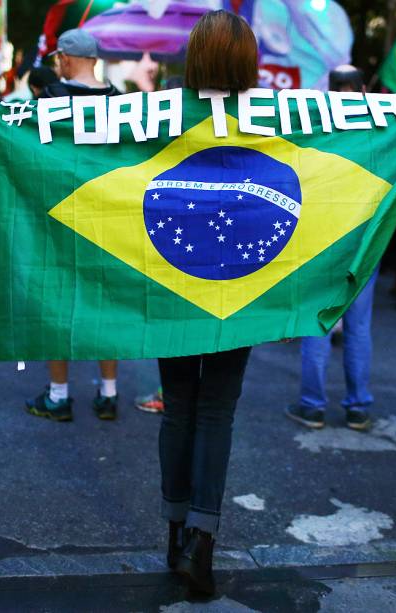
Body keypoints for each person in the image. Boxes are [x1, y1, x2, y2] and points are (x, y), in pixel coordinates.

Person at [154, 10, 258, 597]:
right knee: (216, 411)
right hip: (242, 286)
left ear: (193, 57)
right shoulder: (270, 118)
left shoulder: (160, 113)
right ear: (247, 61)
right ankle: (202, 540)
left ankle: (174, 533)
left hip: (172, 281)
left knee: (178, 408)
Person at [24, 29, 121, 423]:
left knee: (57, 305)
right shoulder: (120, 102)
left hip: (59, 219)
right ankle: (109, 392)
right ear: (94, 60)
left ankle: (60, 395)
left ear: (63, 58)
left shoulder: (48, 100)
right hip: (108, 219)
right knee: (106, 306)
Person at [284, 64, 378, 433]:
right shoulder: (381, 128)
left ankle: (312, 406)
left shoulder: (317, 128)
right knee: (358, 328)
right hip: (365, 242)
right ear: (364, 89)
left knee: (317, 324)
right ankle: (358, 407)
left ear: (330, 90)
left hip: (321, 242)